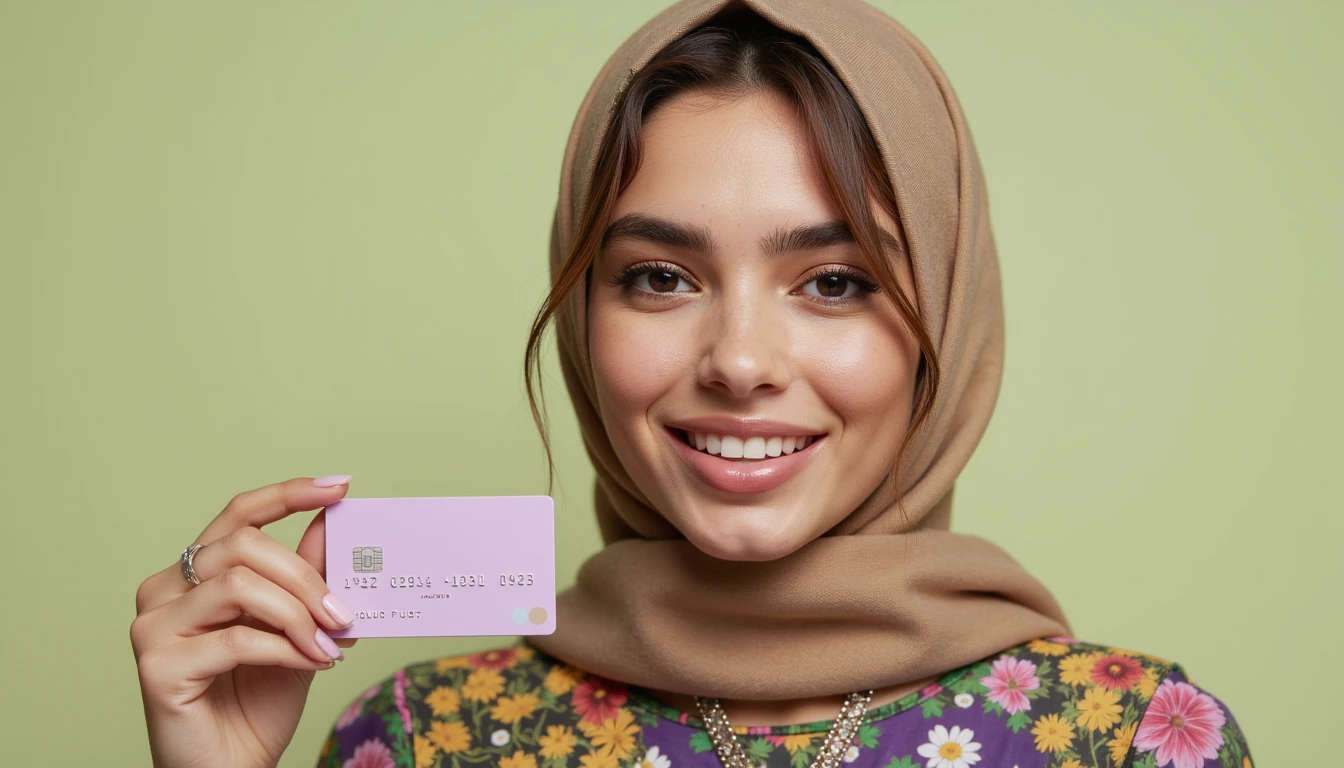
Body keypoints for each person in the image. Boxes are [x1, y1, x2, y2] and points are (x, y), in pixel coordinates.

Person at [132, 1, 1256, 767]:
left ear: (944, 327)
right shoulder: (428, 738)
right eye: (661, 277)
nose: (742, 361)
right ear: (582, 316)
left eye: (832, 281)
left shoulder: (1134, 739)